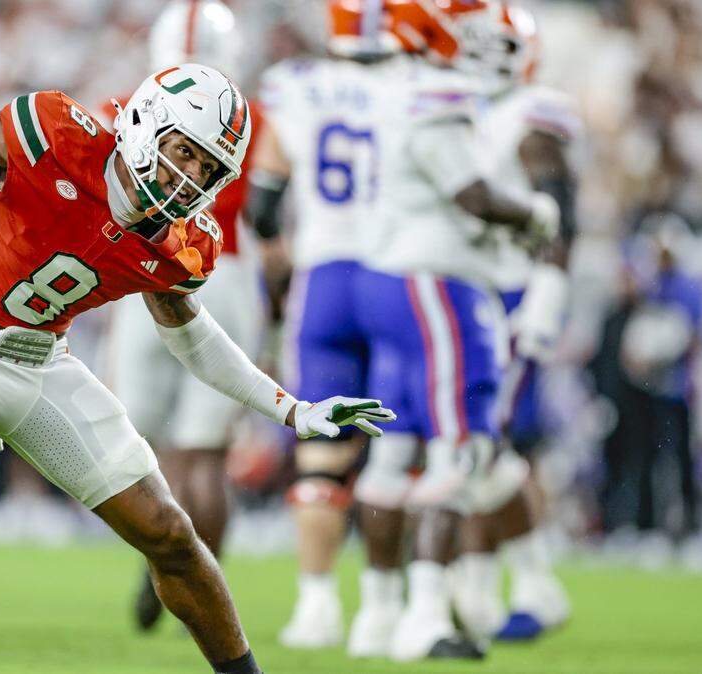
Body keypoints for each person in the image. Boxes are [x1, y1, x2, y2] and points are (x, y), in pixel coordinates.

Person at [0, 27, 394, 674]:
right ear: (144, 124)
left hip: (42, 364)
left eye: (207, 169)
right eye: (184, 152)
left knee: (169, 533)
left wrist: (292, 412)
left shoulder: (179, 242)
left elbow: (194, 339)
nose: (190, 178)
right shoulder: (58, 136)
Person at [345, 0, 562, 661]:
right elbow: (473, 195)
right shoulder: (438, 95)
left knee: (390, 455)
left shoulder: (386, 88)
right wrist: (535, 215)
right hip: (435, 282)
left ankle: (378, 615)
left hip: (383, 276)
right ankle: (426, 617)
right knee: (459, 451)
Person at [95, 0, 269, 632]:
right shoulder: (253, 117)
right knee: (204, 456)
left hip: (149, 269)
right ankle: (201, 586)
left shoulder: (132, 102)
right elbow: (271, 213)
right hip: (229, 269)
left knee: (150, 446)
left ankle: (162, 568)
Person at [247, 0, 409, 649]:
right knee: (395, 454)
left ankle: (315, 607)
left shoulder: (298, 86)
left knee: (320, 454)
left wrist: (280, 262)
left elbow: (263, 205)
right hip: (397, 274)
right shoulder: (417, 89)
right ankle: (384, 609)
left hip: (324, 283)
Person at [469, 2, 577, 642]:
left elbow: (560, 214)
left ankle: (538, 582)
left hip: (513, 292)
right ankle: (478, 588)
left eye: (497, 46)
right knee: (470, 445)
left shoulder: (532, 113)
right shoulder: (465, 106)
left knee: (488, 442)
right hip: (473, 287)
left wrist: (549, 288)